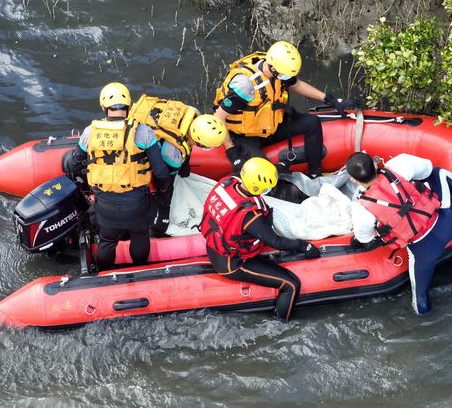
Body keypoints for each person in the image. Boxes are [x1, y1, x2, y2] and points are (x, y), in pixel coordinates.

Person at [346, 152, 452, 315]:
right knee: (439, 173)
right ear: (375, 164)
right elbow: (427, 170)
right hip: (447, 224)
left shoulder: (361, 210)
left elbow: (366, 238)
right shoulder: (398, 165)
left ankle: (425, 320)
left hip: (422, 252)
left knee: (420, 300)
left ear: (353, 180)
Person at [63, 82, 171, 271]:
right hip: (137, 205)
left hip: (105, 206)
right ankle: (139, 269)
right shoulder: (143, 131)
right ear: (128, 106)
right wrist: (161, 191)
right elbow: (161, 172)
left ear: (104, 107)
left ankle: (105, 273)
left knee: (107, 240)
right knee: (140, 236)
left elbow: (73, 163)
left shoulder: (90, 132)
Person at [213, 40, 361, 178]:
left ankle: (315, 173)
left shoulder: (278, 70)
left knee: (312, 122)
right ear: (272, 67)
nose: (287, 78)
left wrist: (330, 99)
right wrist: (232, 152)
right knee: (263, 174)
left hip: (270, 126)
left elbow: (296, 84)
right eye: (285, 75)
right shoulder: (245, 86)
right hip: (245, 136)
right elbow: (219, 117)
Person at [200, 157, 321, 321]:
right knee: (291, 285)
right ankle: (281, 324)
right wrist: (303, 246)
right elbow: (275, 241)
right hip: (232, 263)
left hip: (215, 247)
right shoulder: (250, 215)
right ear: (256, 186)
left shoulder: (230, 183)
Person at [128, 95, 227, 236]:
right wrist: (164, 205)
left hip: (149, 119)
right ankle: (158, 223)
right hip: (142, 140)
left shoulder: (193, 113)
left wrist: (185, 165)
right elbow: (163, 179)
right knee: (166, 184)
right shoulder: (173, 154)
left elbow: (186, 142)